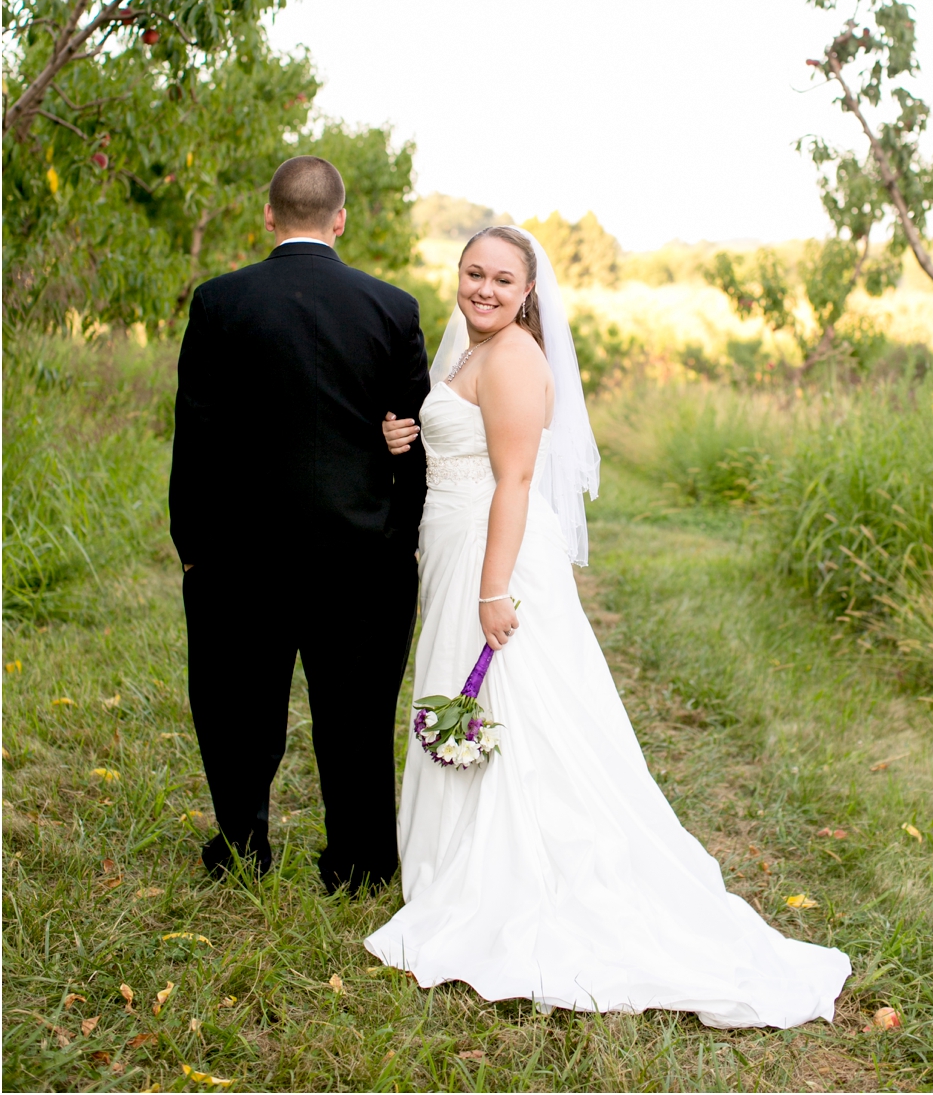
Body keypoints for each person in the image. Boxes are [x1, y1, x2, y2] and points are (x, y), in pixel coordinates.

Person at [365, 225, 851, 1027]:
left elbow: (516, 481)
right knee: (476, 709)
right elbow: (459, 443)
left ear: (529, 293)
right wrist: (404, 435)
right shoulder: (466, 351)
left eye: (501, 280)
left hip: (496, 560)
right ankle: (455, 863)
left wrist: (493, 593)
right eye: (473, 273)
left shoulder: (517, 358)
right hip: (458, 547)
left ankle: (514, 876)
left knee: (521, 718)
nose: (483, 289)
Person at [168, 155, 430, 892]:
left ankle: (243, 847)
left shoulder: (218, 302)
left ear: (269, 216)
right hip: (362, 556)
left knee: (237, 712)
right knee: (356, 716)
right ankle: (360, 863)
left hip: (239, 558)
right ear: (340, 219)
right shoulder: (391, 307)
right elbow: (415, 440)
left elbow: (197, 434)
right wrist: (398, 537)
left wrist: (194, 547)